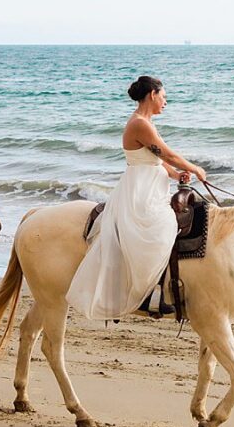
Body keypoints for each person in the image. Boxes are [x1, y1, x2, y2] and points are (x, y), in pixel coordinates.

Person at [66, 75, 208, 321]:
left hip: (150, 184)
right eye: (163, 97)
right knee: (162, 227)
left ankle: (159, 288)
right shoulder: (140, 124)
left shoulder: (146, 123)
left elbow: (157, 158)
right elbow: (167, 154)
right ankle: (147, 293)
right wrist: (194, 168)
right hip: (141, 191)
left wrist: (175, 174)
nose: (165, 102)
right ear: (152, 94)